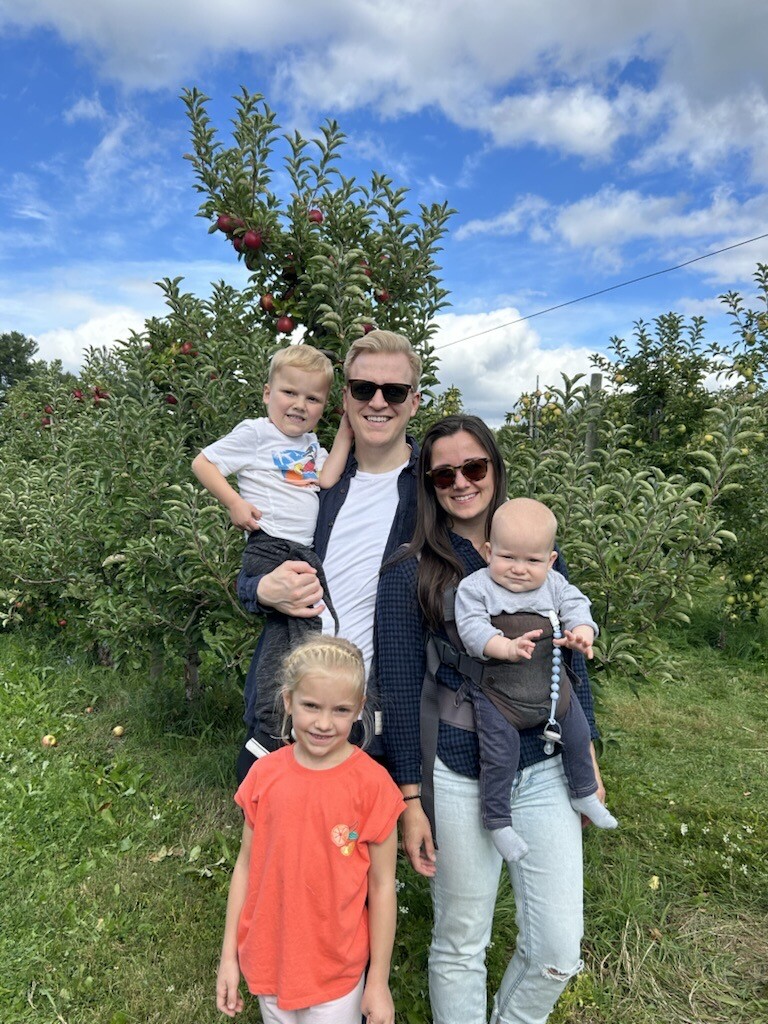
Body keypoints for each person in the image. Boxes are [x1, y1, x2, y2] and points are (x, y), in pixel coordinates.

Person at [376, 414, 610, 1024]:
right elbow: (399, 688)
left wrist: (588, 759)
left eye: (473, 466)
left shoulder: (534, 555)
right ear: (428, 484)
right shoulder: (410, 569)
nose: (460, 482)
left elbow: (571, 665)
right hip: (457, 768)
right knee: (461, 937)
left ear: (495, 469)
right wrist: (409, 798)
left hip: (547, 765)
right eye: (444, 472)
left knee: (558, 948)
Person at [235, 330, 422, 779]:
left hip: (371, 723)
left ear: (414, 401)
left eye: (394, 391)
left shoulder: (434, 487)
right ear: (346, 398)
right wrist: (262, 590)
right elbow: (255, 568)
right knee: (268, 835)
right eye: (364, 389)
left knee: (350, 840)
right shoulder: (315, 483)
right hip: (285, 715)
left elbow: (523, 570)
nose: (378, 402)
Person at [216, 635, 405, 1024]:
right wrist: (228, 957)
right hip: (268, 960)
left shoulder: (374, 786)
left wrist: (378, 982)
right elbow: (246, 867)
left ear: (359, 710)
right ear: (288, 701)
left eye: (339, 710)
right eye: (310, 706)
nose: (323, 723)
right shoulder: (264, 775)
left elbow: (383, 886)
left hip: (338, 973)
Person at [454, 496, 617, 863]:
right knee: (499, 755)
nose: (519, 569)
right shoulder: (476, 588)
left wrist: (581, 633)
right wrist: (504, 647)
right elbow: (471, 628)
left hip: (550, 690)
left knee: (577, 736)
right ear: (487, 551)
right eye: (508, 557)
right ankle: (498, 821)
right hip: (500, 696)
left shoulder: (555, 585)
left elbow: (578, 605)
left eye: (533, 560)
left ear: (550, 560)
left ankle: (584, 792)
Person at [192, 345, 354, 708]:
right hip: (270, 544)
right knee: (299, 631)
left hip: (301, 549)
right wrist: (234, 502)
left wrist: (346, 428)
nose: (299, 404)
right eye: (289, 392)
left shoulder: (312, 444)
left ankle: (297, 703)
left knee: (304, 626)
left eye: (312, 398)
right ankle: (276, 710)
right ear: (267, 394)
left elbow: (327, 479)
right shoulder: (257, 434)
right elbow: (203, 463)